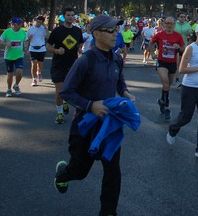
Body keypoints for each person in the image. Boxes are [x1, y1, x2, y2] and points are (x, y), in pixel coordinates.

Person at [54, 15, 137, 216]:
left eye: (116, 30)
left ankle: (108, 212)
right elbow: (66, 91)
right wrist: (91, 106)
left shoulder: (117, 58)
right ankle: (62, 174)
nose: (115, 34)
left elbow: (119, 81)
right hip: (85, 124)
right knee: (80, 171)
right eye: (110, 31)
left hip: (109, 124)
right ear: (97, 33)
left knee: (112, 171)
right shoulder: (85, 61)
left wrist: (125, 92)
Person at [166, 22, 198, 160]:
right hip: (189, 87)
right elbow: (182, 69)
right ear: (197, 34)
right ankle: (173, 128)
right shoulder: (190, 48)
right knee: (186, 117)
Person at [47, 7, 85, 124]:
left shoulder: (77, 31)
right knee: (59, 91)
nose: (71, 17)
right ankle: (59, 114)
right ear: (64, 16)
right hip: (58, 65)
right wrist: (57, 51)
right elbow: (48, 47)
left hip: (73, 65)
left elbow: (80, 43)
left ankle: (65, 102)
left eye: (72, 15)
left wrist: (79, 49)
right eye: (68, 15)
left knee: (69, 89)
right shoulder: (57, 31)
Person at [150, 17, 185, 122]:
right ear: (164, 24)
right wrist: (152, 53)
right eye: (167, 23)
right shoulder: (160, 34)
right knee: (165, 82)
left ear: (174, 25)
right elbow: (151, 43)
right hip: (162, 62)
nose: (169, 25)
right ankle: (166, 107)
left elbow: (183, 48)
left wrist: (178, 47)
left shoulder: (178, 36)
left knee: (168, 86)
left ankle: (162, 100)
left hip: (172, 63)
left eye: (171, 23)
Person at [0, 17, 29, 97]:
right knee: (10, 74)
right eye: (18, 24)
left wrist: (25, 48)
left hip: (19, 56)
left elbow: (25, 41)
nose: (20, 25)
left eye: (21, 24)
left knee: (19, 72)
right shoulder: (7, 32)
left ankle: (16, 85)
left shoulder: (23, 32)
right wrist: (6, 44)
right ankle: (8, 89)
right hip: (9, 57)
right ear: (13, 24)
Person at [27, 15, 47, 86]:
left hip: (41, 49)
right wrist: (29, 38)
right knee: (34, 63)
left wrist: (45, 27)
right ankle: (34, 79)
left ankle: (39, 72)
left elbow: (48, 36)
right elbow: (26, 39)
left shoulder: (43, 29)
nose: (38, 23)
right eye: (37, 21)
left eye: (40, 22)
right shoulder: (31, 29)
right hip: (33, 48)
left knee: (40, 64)